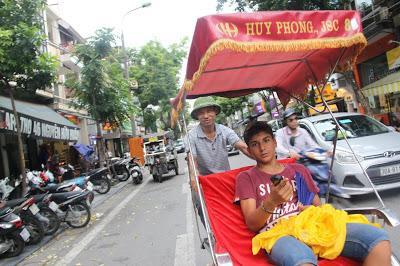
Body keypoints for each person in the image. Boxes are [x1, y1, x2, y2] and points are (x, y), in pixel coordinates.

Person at [235, 121, 391, 266]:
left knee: (377, 238)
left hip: (312, 225)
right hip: (278, 234)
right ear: (249, 150)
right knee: (302, 259)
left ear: (275, 142)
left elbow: (318, 207)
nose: (262, 148)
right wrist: (272, 202)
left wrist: (310, 210)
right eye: (255, 144)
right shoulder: (247, 178)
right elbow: (252, 224)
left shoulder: (298, 170)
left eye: (266, 140)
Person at [186, 96, 251, 225]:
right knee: (198, 201)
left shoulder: (224, 130)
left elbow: (243, 147)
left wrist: (262, 159)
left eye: (209, 111)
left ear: (215, 112)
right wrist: (194, 178)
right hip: (206, 182)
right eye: (201, 113)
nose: (206, 116)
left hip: (225, 179)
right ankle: (212, 234)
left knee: (244, 198)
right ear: (197, 116)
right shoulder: (191, 136)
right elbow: (191, 161)